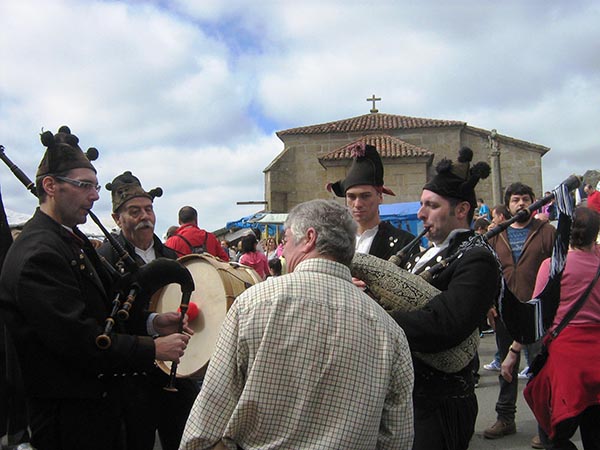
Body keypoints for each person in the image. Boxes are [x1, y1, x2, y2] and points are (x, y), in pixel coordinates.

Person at [0, 127, 189, 450]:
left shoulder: (68, 239)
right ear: (50, 186)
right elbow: (81, 341)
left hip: (96, 412)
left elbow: (106, 311)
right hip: (68, 421)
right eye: (84, 185)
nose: (95, 196)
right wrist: (153, 349)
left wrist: (152, 323)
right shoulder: (39, 254)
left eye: (96, 186)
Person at [180, 199, 414, 450]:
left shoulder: (253, 303)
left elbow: (212, 409)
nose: (284, 251)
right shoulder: (390, 330)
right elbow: (396, 438)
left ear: (309, 238)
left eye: (286, 241)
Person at [392, 147, 501, 450]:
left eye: (431, 205)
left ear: (462, 209)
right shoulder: (428, 252)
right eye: (422, 204)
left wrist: (375, 315)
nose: (420, 213)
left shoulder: (478, 259)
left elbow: (445, 325)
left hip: (441, 404)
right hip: (410, 395)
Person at [98, 171, 199, 450]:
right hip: (131, 375)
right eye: (134, 211)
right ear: (117, 219)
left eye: (149, 209)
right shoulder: (104, 259)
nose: (145, 217)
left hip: (175, 372)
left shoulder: (170, 257)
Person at [504, 206, 600, 450]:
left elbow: (534, 318)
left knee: (556, 435)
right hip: (597, 357)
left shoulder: (551, 266)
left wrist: (513, 352)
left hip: (565, 362)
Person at [484, 182, 556, 448]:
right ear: (508, 205)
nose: (521, 204)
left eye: (526, 198)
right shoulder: (496, 234)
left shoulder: (547, 232)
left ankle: (546, 427)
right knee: (506, 367)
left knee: (540, 372)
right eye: (516, 200)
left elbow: (557, 272)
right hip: (505, 311)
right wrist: (488, 304)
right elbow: (487, 272)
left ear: (534, 201)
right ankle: (505, 418)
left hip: (537, 312)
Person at [327, 141, 418, 261]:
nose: (358, 204)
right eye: (351, 197)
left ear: (380, 197)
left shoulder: (405, 242)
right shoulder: (334, 242)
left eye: (365, 196)